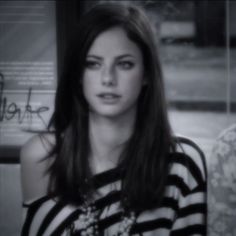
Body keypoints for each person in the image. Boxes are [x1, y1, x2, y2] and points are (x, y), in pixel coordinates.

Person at [20, 3, 207, 236]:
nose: (108, 78)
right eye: (93, 64)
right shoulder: (41, 157)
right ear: (78, 73)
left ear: (147, 73)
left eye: (124, 64)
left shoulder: (182, 164)